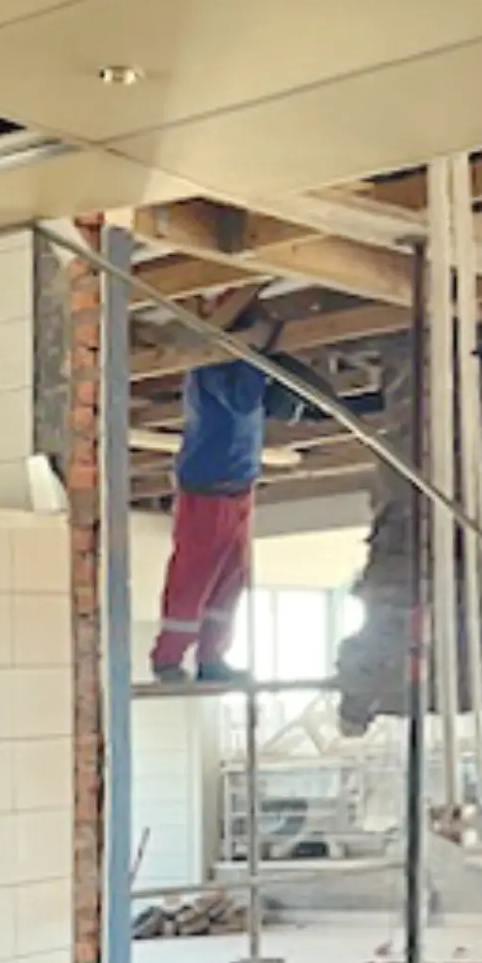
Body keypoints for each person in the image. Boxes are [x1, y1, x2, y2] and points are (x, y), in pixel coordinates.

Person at [150, 294, 311, 686]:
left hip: (237, 485)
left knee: (230, 580)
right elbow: (241, 400)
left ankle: (213, 659)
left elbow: (252, 403)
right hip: (208, 487)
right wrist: (263, 362)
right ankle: (168, 660)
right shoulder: (213, 360)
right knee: (195, 578)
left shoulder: (239, 362)